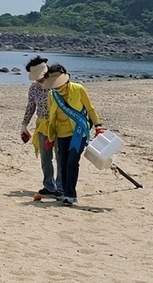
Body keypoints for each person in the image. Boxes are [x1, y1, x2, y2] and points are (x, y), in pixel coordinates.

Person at [42, 64, 104, 207]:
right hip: (61, 134)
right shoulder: (52, 95)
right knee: (62, 163)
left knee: (72, 162)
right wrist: (50, 137)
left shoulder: (78, 89)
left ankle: (70, 194)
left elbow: (90, 108)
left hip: (78, 133)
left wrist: (98, 126)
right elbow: (52, 117)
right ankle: (65, 192)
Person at [21, 56, 61, 197]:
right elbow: (30, 107)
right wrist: (24, 125)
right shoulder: (34, 89)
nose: (39, 80)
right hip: (42, 125)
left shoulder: (58, 84)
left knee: (60, 157)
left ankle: (60, 187)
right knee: (46, 158)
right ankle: (49, 185)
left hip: (59, 125)